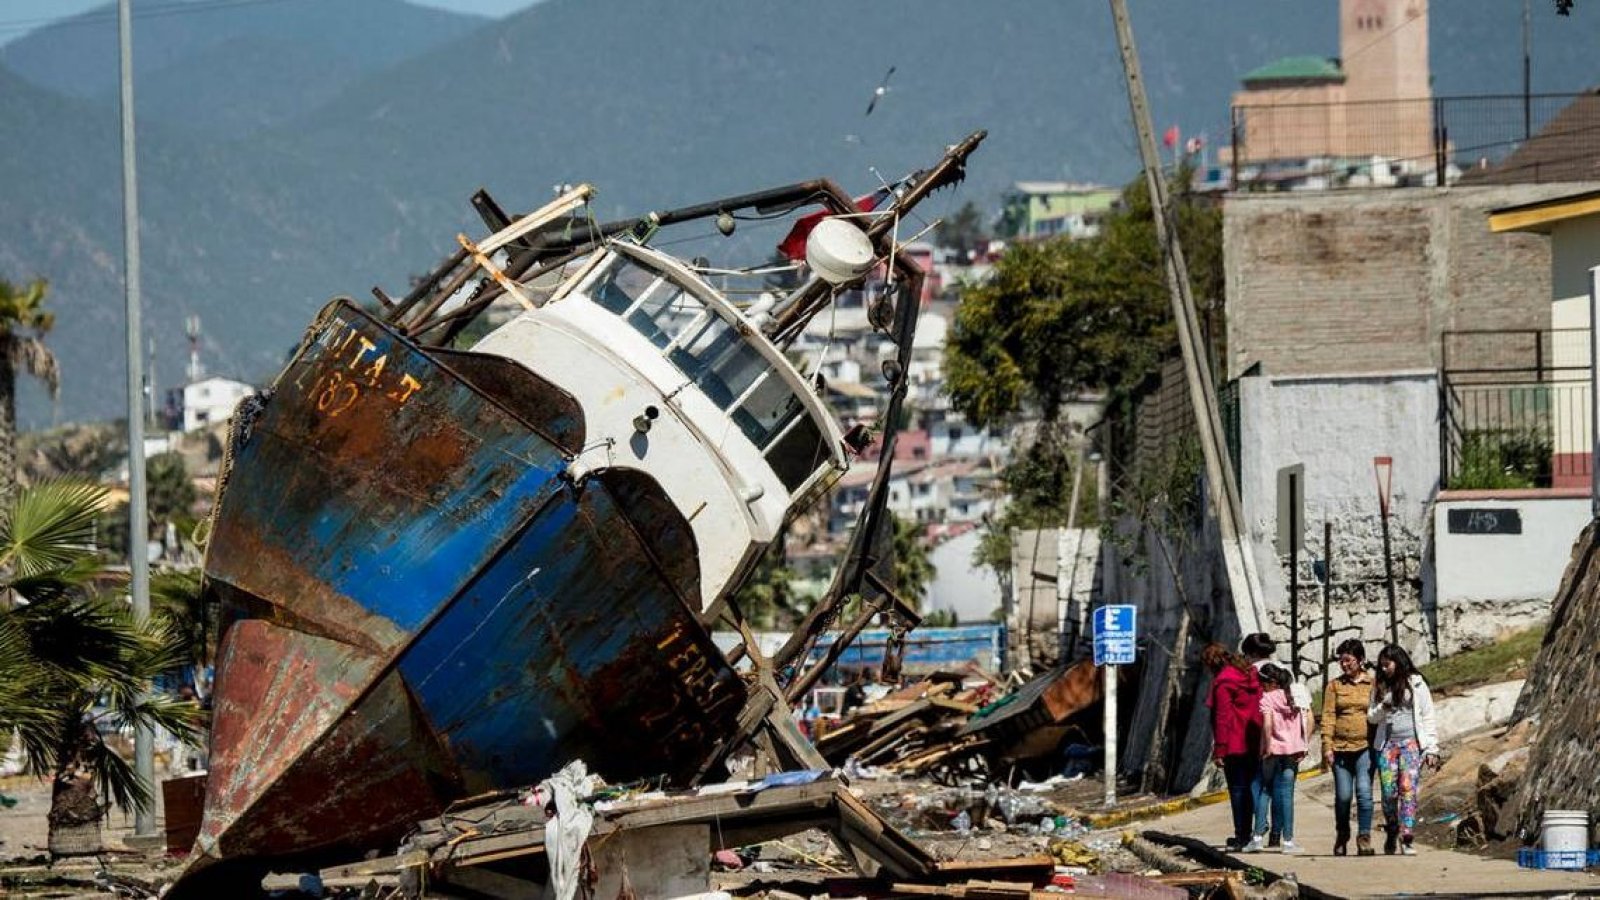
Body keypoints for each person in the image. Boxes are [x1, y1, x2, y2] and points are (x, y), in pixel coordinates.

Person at [1368, 644, 1440, 856]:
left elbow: (1428, 716)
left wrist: (1432, 748)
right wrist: (1384, 706)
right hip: (1387, 746)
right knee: (1389, 792)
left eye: (1387, 665)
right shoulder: (1379, 686)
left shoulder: (1416, 684)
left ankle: (1407, 835)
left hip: (1411, 745)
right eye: (1381, 666)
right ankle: (1392, 828)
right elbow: (1371, 716)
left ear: (1398, 662)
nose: (1383, 669)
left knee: (1408, 789)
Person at [1240, 632, 1311, 845]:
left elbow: (1266, 722)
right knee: (1285, 792)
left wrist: (1266, 745)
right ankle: (1282, 836)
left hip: (1261, 741)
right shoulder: (1286, 673)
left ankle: (1257, 833)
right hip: (1293, 746)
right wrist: (1304, 742)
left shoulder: (1253, 676)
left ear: (1250, 653)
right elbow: (1306, 714)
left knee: (1263, 788)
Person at [1203, 642, 1262, 851]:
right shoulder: (1251, 676)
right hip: (1255, 739)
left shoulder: (1223, 682)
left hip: (1234, 743)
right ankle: (1261, 831)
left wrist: (1219, 749)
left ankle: (1242, 836)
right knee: (1255, 787)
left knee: (1238, 790)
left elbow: (1222, 717)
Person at [1321, 638, 1376, 856]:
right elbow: (1328, 716)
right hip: (1340, 749)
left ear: (1360, 660)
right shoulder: (1334, 686)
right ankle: (1342, 834)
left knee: (1364, 793)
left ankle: (1364, 837)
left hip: (1365, 747)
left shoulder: (1372, 684)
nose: (1345, 665)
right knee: (1343, 796)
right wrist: (1327, 746)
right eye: (1341, 661)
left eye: (1349, 660)